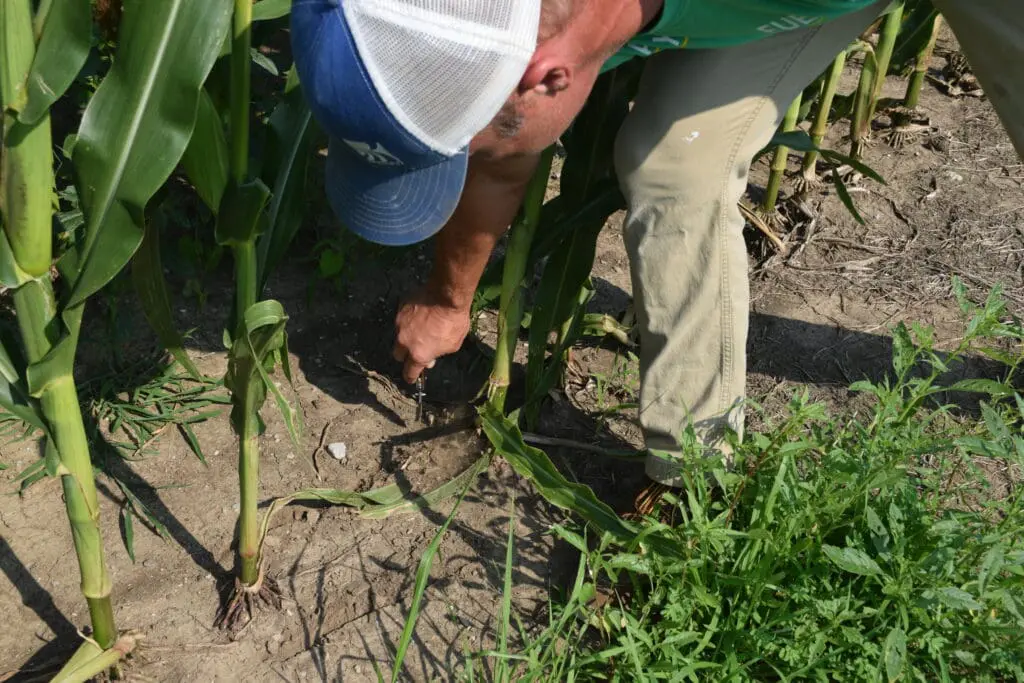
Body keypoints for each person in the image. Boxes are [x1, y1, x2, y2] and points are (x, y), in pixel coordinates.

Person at [291, 0, 1023, 493]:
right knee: (674, 161)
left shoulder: (546, 52)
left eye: (462, 150)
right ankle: (697, 478)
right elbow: (511, 142)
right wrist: (449, 300)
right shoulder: (525, 28)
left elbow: (513, 132)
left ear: (549, 75)